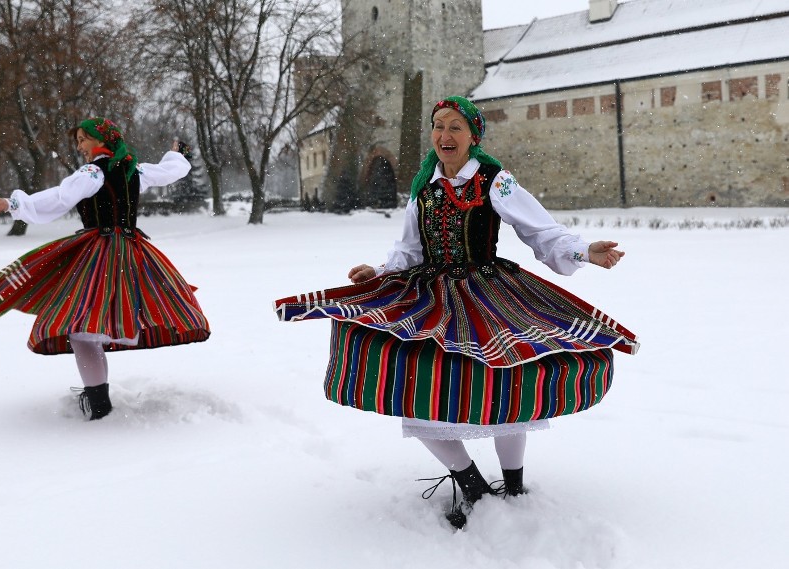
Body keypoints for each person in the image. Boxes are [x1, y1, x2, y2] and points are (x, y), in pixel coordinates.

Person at [273, 96, 638, 529]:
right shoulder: (422, 184)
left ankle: (514, 484)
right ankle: (471, 484)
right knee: (416, 383)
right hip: (429, 295)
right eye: (438, 126)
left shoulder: (494, 180)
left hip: (487, 290)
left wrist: (583, 250)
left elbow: (540, 231)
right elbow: (410, 248)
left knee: (507, 381)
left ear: (472, 136)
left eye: (455, 128)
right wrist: (381, 270)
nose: (444, 136)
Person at [0, 117, 211, 421]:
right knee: (100, 320)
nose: (80, 147)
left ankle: (98, 403)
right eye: (77, 141)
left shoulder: (92, 172)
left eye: (83, 140)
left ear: (102, 140)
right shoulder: (134, 170)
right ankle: (98, 397)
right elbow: (170, 171)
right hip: (131, 252)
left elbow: (59, 198)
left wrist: (14, 204)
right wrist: (179, 154)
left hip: (101, 253)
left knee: (82, 328)